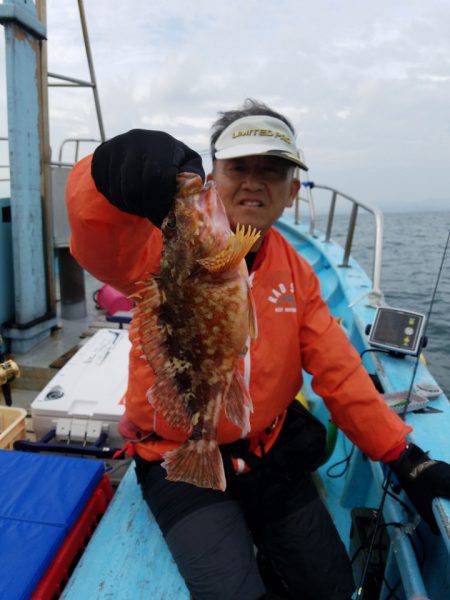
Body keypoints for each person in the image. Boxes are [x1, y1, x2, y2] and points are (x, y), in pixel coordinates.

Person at [66, 99, 450, 600]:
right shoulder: (160, 250)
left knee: (334, 588)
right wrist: (101, 177)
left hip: (268, 452)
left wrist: (403, 454)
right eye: (238, 167)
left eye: (271, 170)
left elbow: (338, 369)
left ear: (292, 191)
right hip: (179, 460)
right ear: (213, 179)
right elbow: (96, 239)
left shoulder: (296, 272)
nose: (253, 181)